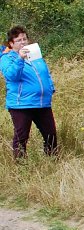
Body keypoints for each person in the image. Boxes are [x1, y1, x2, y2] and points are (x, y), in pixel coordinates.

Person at [1, 26, 58, 159]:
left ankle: (53, 160)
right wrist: (20, 59)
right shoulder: (7, 58)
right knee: (22, 137)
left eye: (25, 39)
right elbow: (11, 75)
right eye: (19, 40)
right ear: (11, 43)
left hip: (42, 103)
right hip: (21, 104)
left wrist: (50, 87)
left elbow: (45, 73)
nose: (23, 42)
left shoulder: (35, 56)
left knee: (51, 134)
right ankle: (21, 165)